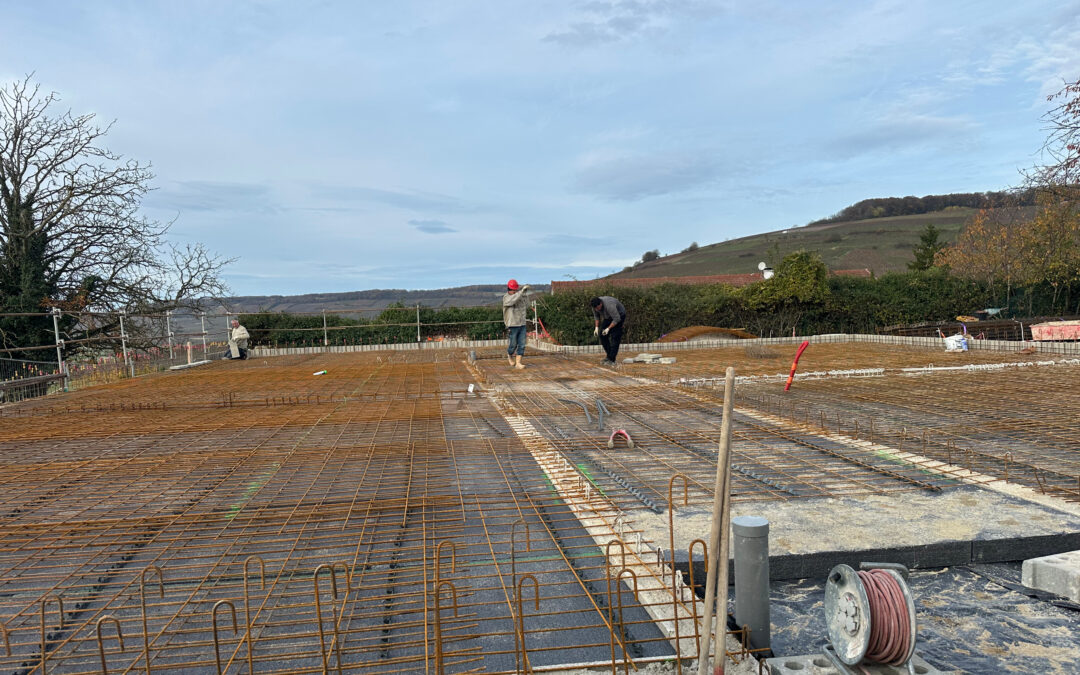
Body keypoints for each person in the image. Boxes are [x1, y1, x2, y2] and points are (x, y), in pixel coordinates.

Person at [502, 279, 530, 369]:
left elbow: (528, 305)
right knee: (513, 344)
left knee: (522, 344)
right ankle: (509, 355)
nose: (515, 291)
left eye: (516, 290)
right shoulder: (506, 298)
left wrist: (525, 295)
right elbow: (512, 301)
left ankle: (518, 363)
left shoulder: (519, 295)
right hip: (512, 324)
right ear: (510, 289)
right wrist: (521, 292)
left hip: (522, 323)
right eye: (514, 290)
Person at [590, 296, 626, 365]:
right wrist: (596, 327)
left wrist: (608, 328)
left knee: (615, 337)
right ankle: (609, 356)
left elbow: (616, 319)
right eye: (595, 308)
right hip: (608, 317)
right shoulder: (594, 306)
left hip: (619, 315)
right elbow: (596, 316)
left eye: (598, 308)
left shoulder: (609, 305)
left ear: (600, 304)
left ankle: (612, 359)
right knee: (602, 336)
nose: (597, 310)